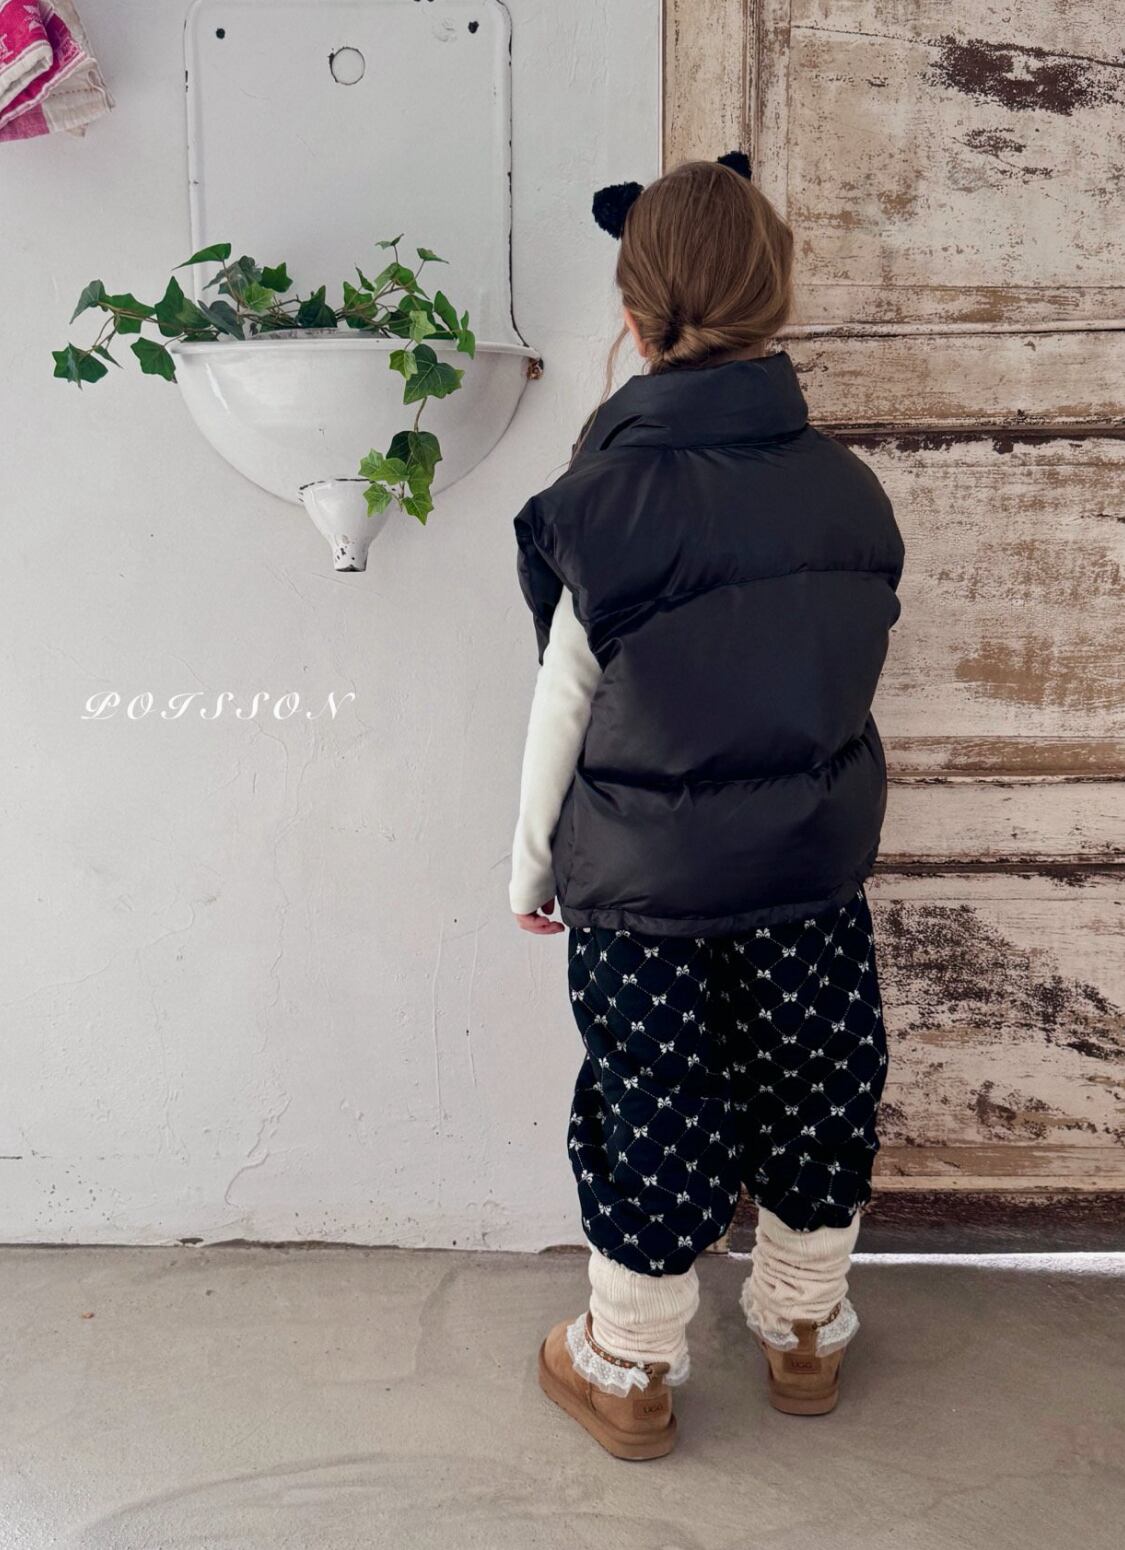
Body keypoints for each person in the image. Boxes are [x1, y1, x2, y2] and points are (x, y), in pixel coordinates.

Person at [509, 157, 905, 1460]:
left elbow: (564, 707)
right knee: (819, 1084)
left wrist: (531, 869)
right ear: (773, 298)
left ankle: (627, 1363)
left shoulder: (594, 504)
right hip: (807, 874)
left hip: (647, 894)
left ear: (634, 315)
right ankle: (805, 1329)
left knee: (656, 1103)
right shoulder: (849, 490)